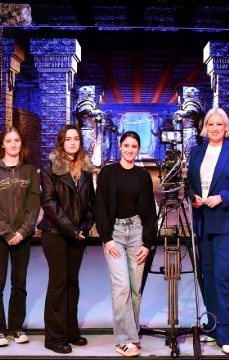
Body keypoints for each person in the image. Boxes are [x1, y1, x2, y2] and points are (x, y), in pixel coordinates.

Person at [185, 107, 229, 355]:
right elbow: (190, 183)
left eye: (219, 124)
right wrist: (193, 197)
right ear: (205, 127)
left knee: (223, 276)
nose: (214, 128)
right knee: (208, 276)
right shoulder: (197, 151)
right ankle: (213, 327)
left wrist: (221, 197)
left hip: (226, 222)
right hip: (203, 221)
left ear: (226, 127)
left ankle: (228, 334)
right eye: (210, 124)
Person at [94, 131, 158, 357]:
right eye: (126, 145)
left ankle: (133, 332)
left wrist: (147, 243)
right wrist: (107, 238)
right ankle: (124, 339)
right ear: (120, 147)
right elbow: (99, 206)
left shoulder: (142, 176)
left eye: (134, 146)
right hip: (115, 233)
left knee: (135, 290)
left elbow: (150, 211)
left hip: (137, 232)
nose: (130, 150)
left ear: (138, 149)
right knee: (121, 287)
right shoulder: (108, 173)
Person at [38, 125, 95, 354]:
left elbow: (90, 203)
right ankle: (54, 338)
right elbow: (50, 204)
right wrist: (72, 229)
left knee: (73, 284)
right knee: (58, 284)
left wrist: (84, 227)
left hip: (77, 235)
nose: (72, 142)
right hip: (55, 234)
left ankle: (71, 332)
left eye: (76, 139)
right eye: (68, 139)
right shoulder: (49, 168)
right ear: (61, 142)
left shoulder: (86, 169)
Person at [0, 126, 41, 347]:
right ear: (2, 145)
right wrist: (7, 233)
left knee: (19, 284)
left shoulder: (29, 171)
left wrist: (23, 231)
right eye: (9, 141)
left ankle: (16, 327)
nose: (13, 144)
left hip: (22, 237)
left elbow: (33, 205)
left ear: (21, 144)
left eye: (17, 140)